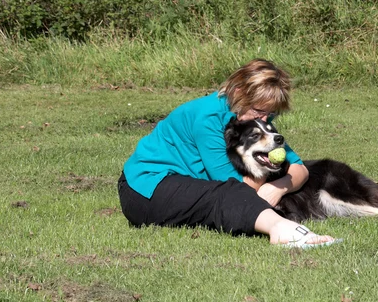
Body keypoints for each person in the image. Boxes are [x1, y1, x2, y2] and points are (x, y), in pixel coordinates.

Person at [117, 59, 339, 248]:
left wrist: (277, 187)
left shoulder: (254, 120)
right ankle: (281, 230)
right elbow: (237, 186)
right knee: (228, 194)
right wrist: (268, 176)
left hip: (189, 185)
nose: (264, 121)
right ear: (238, 93)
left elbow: (300, 170)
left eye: (271, 114)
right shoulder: (209, 119)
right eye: (259, 111)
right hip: (147, 188)